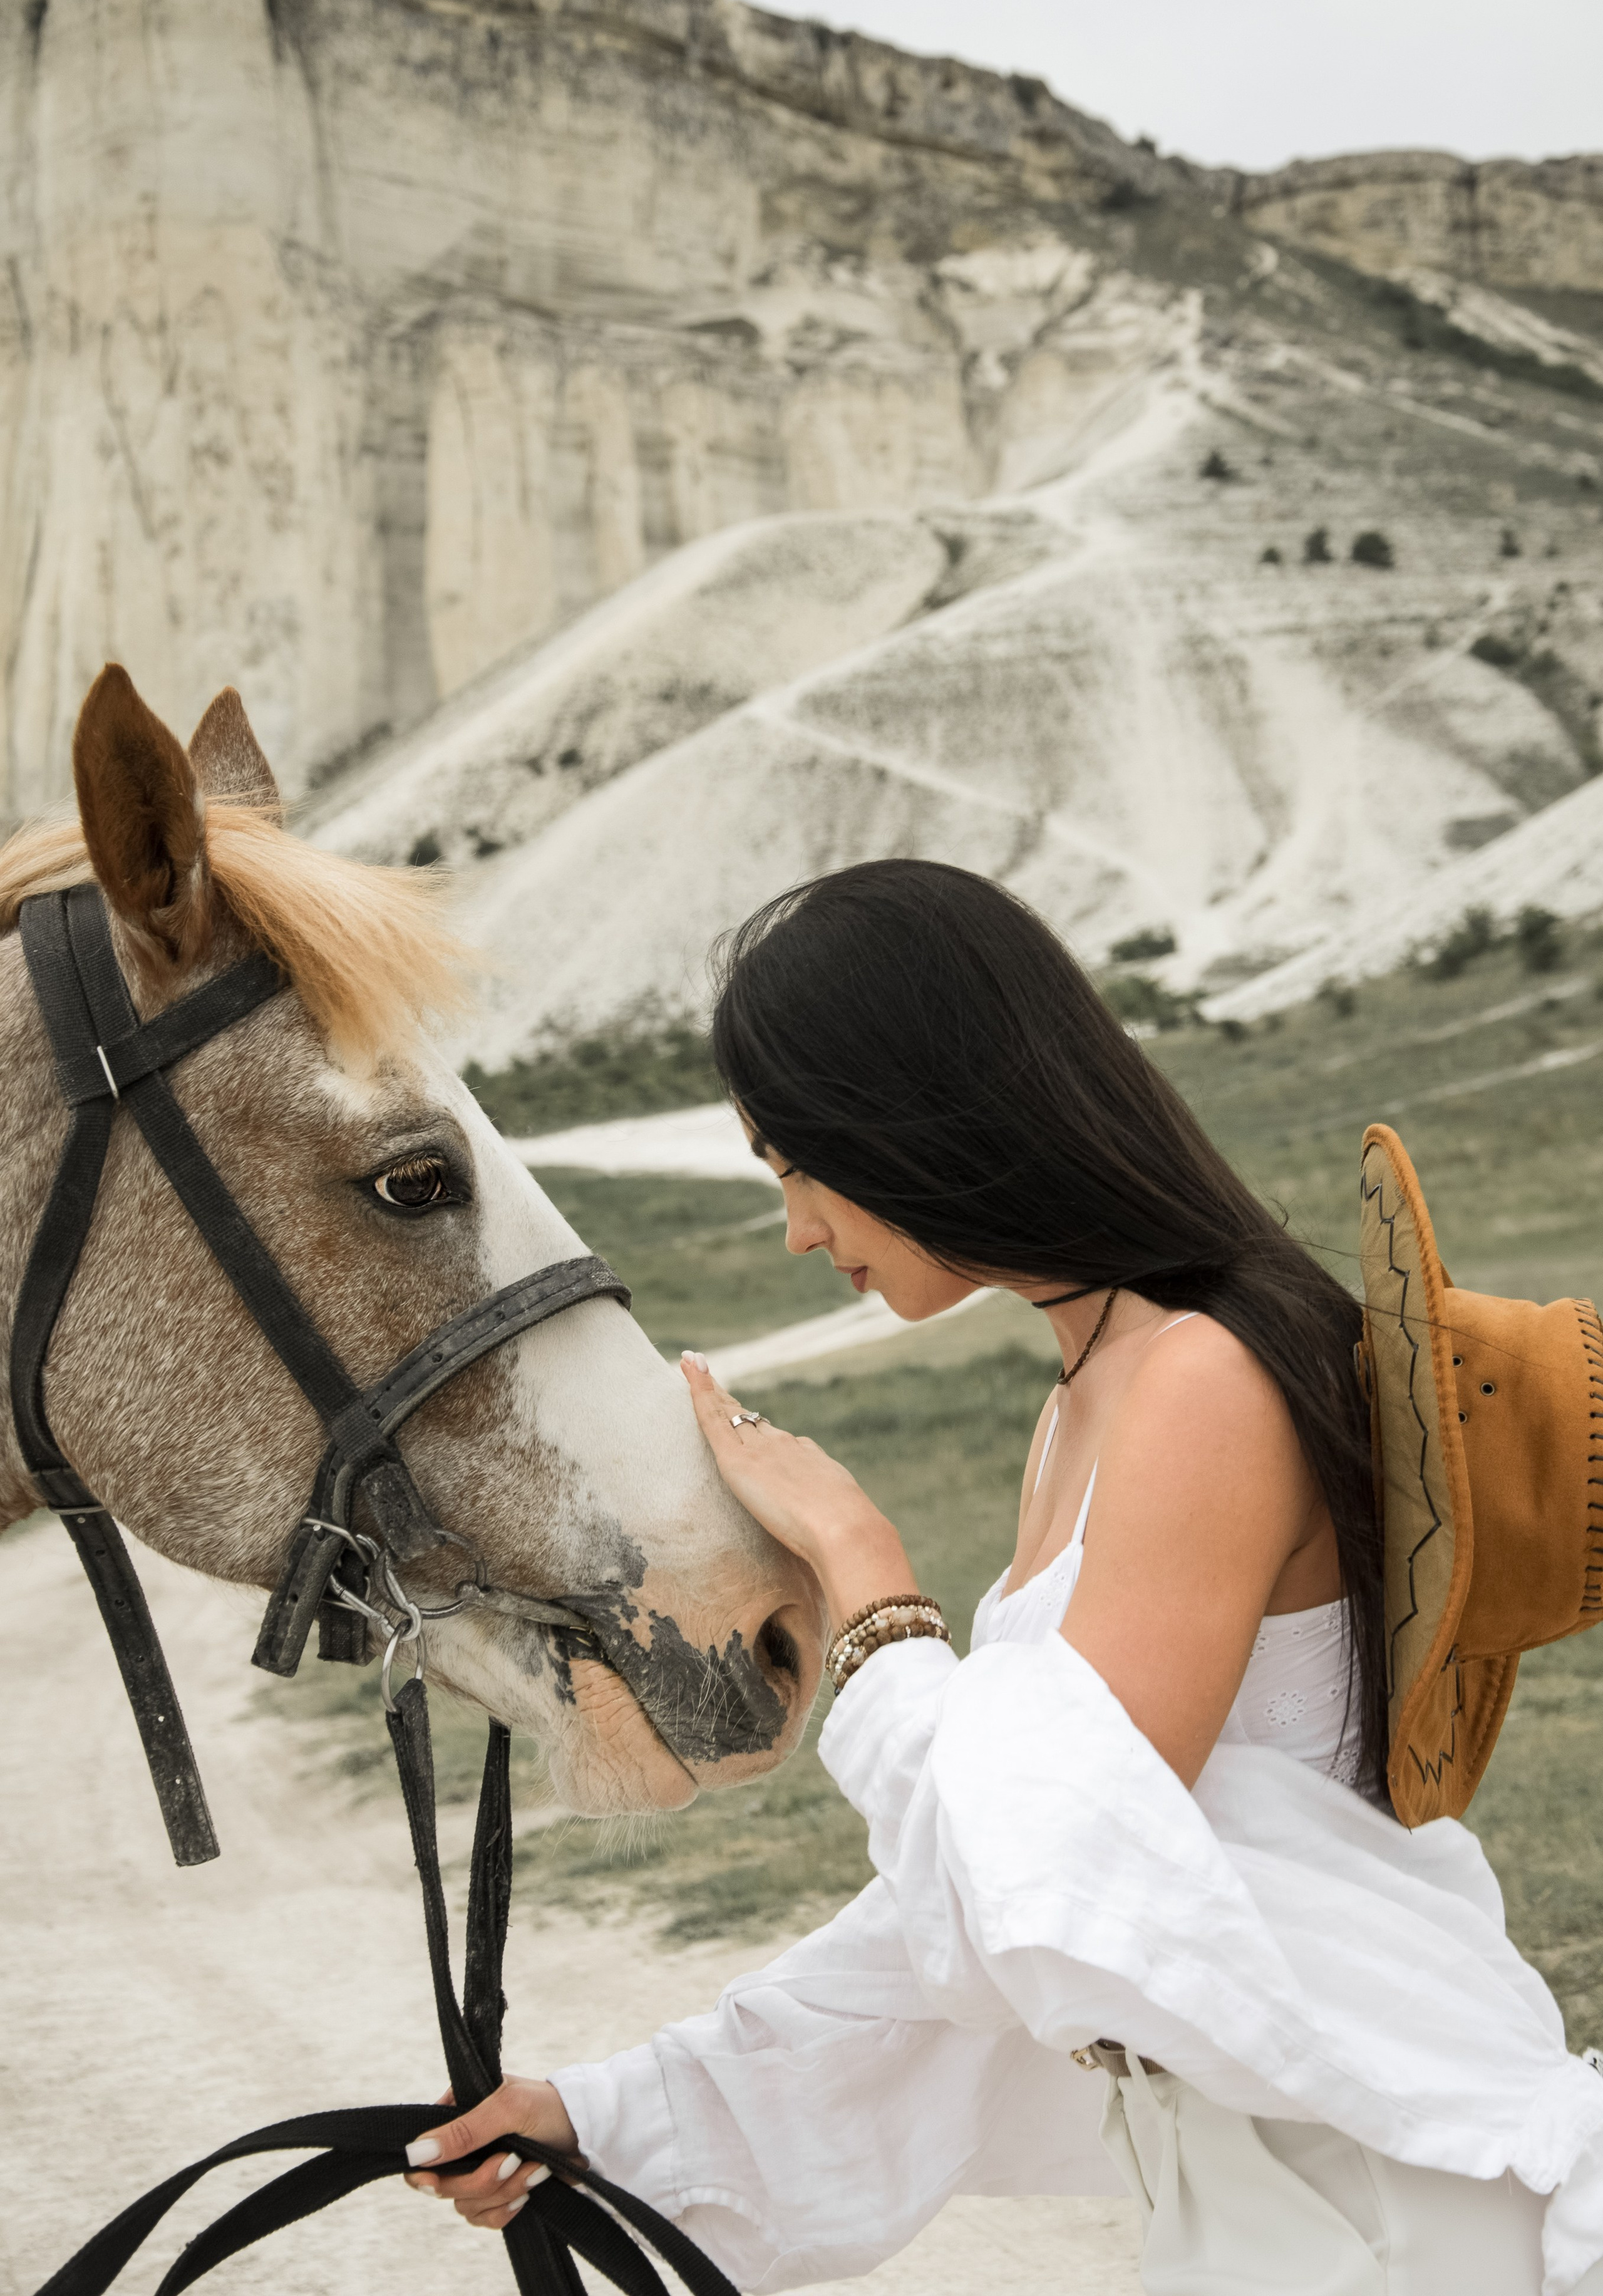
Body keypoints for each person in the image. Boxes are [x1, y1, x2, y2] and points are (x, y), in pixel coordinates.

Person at [405, 861, 1603, 2293]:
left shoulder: (1200, 1380)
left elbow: (1053, 1880)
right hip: (1266, 2195)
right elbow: (960, 1900)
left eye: (793, 1165)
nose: (795, 1226)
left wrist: (864, 1571)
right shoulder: (1087, 1396)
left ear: (905, 1117)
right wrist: (614, 2110)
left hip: (1379, 2200)